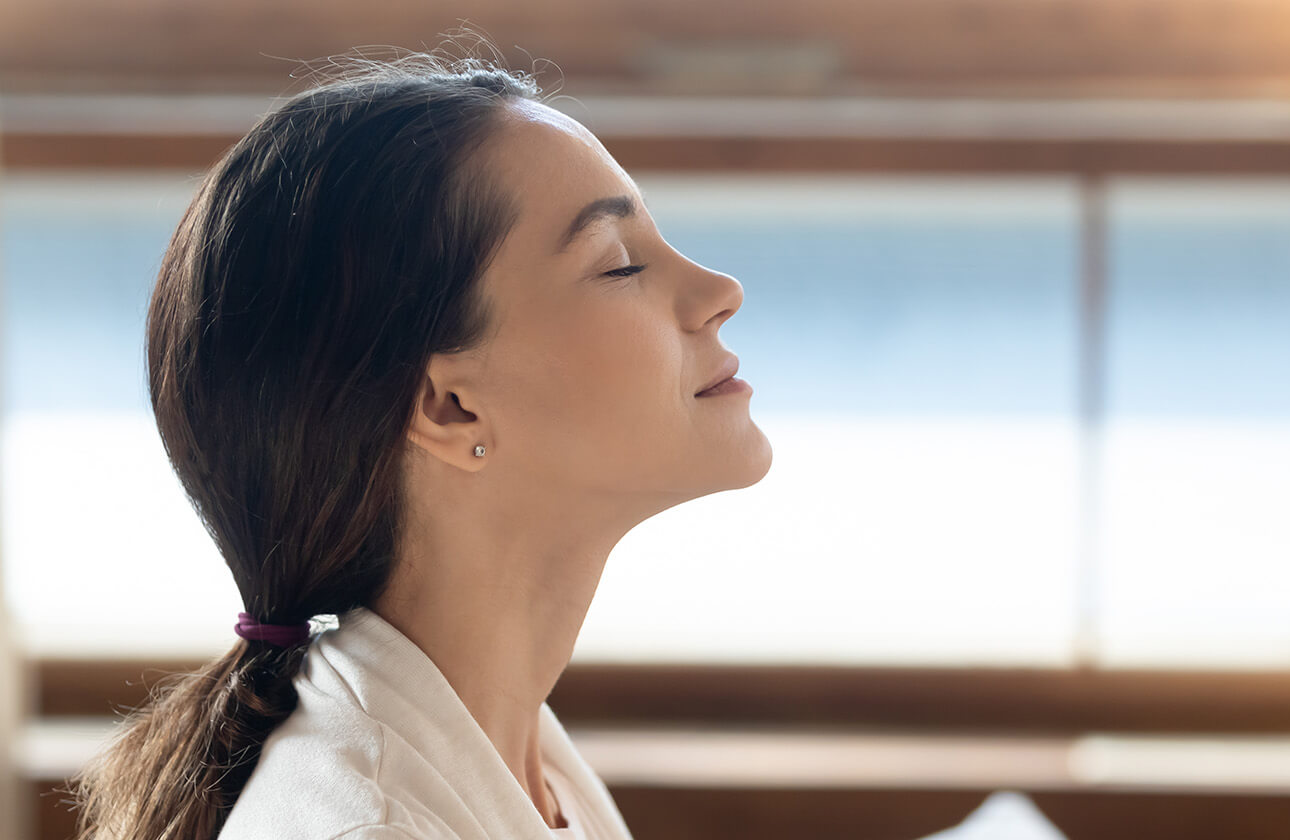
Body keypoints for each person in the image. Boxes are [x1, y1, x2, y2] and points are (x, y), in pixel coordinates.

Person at [63, 40, 772, 840]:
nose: (721, 291)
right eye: (617, 264)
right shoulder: (369, 822)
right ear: (447, 408)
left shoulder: (512, 748)